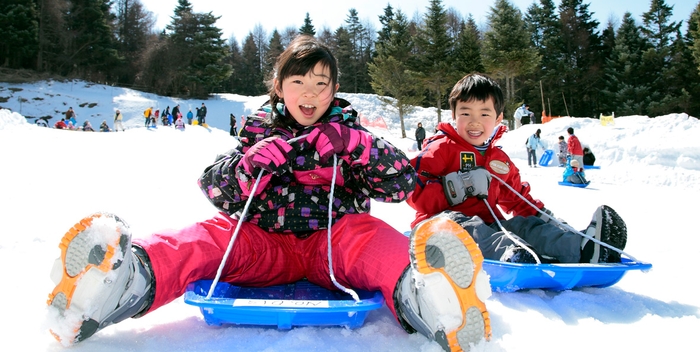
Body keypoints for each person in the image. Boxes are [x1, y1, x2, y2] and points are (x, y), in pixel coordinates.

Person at [46, 35, 492, 351]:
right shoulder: (258, 132)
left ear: (334, 91)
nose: (310, 93)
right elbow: (214, 189)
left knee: (370, 237)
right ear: (279, 87)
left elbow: (401, 185)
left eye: (322, 84)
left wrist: (359, 146)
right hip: (263, 244)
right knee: (205, 238)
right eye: (298, 81)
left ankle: (433, 298)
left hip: (332, 246)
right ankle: (118, 282)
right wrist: (249, 165)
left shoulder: (350, 134)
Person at [407, 73, 628, 267]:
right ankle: (511, 254)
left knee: (523, 225)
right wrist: (457, 186)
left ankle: (581, 247)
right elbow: (411, 190)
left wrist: (548, 220)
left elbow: (518, 200)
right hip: (437, 229)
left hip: (488, 227)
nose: (475, 122)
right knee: (464, 226)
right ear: (454, 115)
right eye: (466, 113)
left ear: (498, 119)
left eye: (484, 114)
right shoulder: (441, 148)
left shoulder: (498, 160)